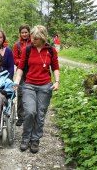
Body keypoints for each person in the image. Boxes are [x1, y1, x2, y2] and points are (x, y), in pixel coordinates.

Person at [13, 25, 60, 154]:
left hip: (45, 86)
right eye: (32, 37)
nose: (32, 40)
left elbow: (55, 67)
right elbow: (20, 67)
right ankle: (25, 137)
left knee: (40, 115)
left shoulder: (51, 50)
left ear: (42, 38)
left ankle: (35, 139)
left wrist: (57, 82)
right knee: (29, 112)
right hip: (29, 85)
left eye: (36, 38)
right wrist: (17, 81)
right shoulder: (27, 50)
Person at [12, 24, 31, 127]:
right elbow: (14, 58)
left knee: (31, 93)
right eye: (22, 32)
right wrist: (21, 62)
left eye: (26, 32)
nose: (24, 34)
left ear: (29, 33)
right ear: (20, 33)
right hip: (21, 71)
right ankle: (20, 117)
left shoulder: (33, 43)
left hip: (32, 71)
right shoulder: (17, 45)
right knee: (20, 94)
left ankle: (30, 116)